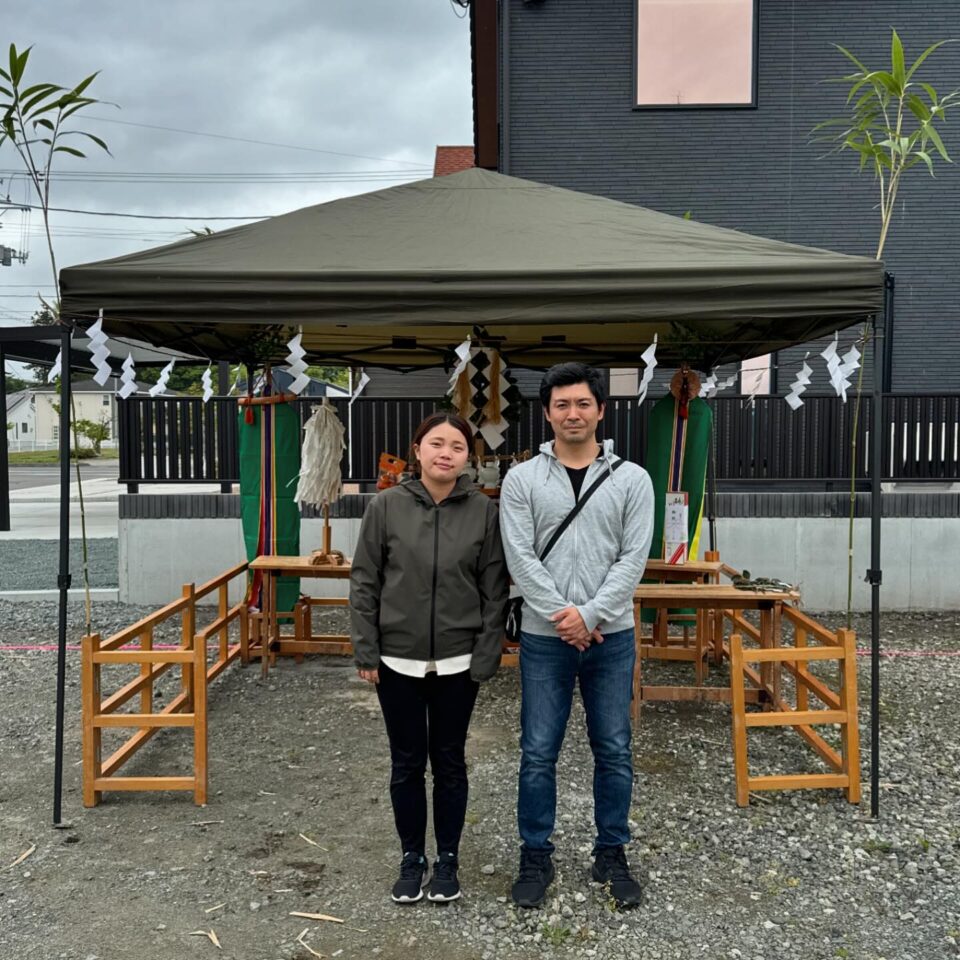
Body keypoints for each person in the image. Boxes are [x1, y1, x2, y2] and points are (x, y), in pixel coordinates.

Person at [499, 363, 654, 910]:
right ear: (547, 414)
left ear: (601, 410)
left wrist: (591, 616)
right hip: (545, 639)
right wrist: (567, 616)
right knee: (538, 750)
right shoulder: (522, 480)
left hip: (612, 639)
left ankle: (611, 851)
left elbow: (633, 558)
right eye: (562, 404)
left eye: (582, 403)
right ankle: (535, 852)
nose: (572, 413)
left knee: (613, 748)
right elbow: (519, 556)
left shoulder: (633, 478)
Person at [350, 411, 509, 905]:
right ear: (417, 450)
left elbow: (495, 588)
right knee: (405, 763)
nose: (446, 453)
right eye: (436, 443)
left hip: (459, 663)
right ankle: (412, 856)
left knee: (451, 763)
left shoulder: (483, 511)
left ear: (469, 457)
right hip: (397, 661)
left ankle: (448, 860)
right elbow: (365, 582)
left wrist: (487, 654)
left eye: (457, 446)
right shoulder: (386, 506)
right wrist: (366, 649)